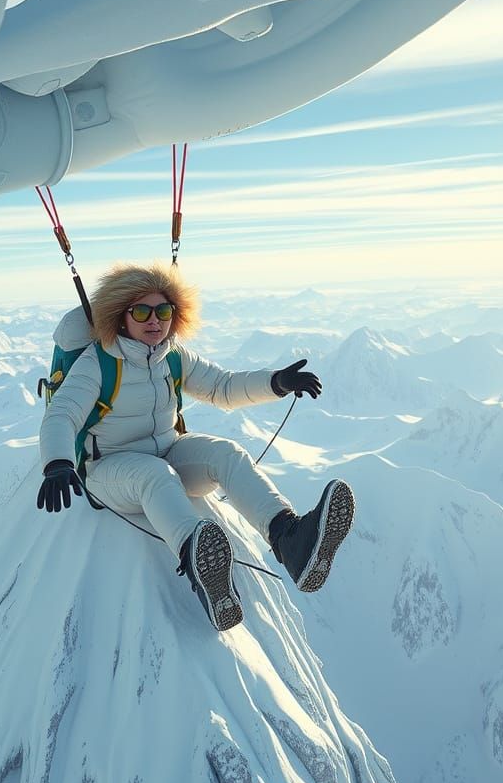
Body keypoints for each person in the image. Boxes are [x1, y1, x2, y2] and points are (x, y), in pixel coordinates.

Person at [36, 262, 354, 631]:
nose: (154, 320)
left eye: (164, 311)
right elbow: (62, 415)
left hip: (167, 449)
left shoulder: (173, 356)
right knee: (156, 476)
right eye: (141, 311)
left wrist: (276, 382)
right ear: (120, 318)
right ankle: (201, 566)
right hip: (108, 470)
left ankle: (291, 541)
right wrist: (57, 463)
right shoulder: (98, 363)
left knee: (226, 454)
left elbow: (220, 386)